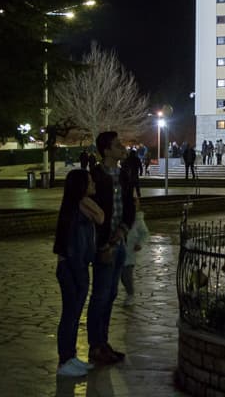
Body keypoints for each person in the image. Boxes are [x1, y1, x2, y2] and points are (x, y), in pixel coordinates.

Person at [87, 131, 137, 366]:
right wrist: (102, 244)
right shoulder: (95, 176)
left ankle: (103, 343)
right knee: (100, 295)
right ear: (106, 150)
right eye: (117, 145)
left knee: (112, 294)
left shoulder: (124, 174)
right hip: (104, 246)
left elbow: (129, 208)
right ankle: (95, 346)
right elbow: (91, 212)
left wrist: (124, 231)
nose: (122, 148)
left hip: (120, 242)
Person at [53, 169, 104, 377]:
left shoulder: (78, 205)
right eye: (90, 182)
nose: (94, 185)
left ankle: (70, 356)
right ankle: (64, 361)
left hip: (78, 266)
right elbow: (101, 217)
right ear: (80, 186)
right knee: (69, 315)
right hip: (72, 268)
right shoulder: (77, 206)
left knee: (74, 315)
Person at [121, 202, 150, 305]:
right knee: (120, 276)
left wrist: (140, 243)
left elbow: (145, 233)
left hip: (129, 252)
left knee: (126, 276)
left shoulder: (137, 219)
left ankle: (130, 294)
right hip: (119, 249)